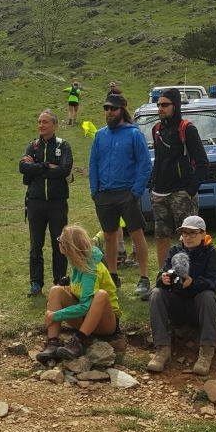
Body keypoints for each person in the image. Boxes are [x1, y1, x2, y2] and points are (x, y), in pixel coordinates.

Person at [89, 92, 152, 296]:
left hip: (127, 193)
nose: (109, 112)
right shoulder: (100, 135)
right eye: (106, 109)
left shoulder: (134, 134)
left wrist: (135, 191)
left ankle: (144, 277)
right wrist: (95, 191)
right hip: (104, 194)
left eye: (113, 109)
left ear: (122, 110)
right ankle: (113, 276)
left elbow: (144, 165)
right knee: (109, 236)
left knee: (137, 234)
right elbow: (93, 164)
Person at [147, 215, 216, 375]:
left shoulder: (212, 253)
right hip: (177, 305)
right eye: (185, 234)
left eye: (192, 233)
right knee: (156, 293)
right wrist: (164, 279)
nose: (187, 237)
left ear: (203, 234)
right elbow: (160, 276)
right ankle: (162, 349)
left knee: (208, 296)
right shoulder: (175, 251)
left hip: (200, 306)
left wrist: (193, 282)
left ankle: (206, 351)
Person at [37, 225, 121, 362]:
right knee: (56, 291)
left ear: (68, 247)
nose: (58, 242)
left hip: (106, 323)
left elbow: (85, 307)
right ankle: (52, 343)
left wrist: (55, 315)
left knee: (101, 295)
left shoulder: (92, 269)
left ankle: (78, 342)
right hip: (85, 318)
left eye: (61, 240)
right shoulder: (77, 261)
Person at [150, 88, 209, 276]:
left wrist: (190, 190)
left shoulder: (187, 129)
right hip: (159, 194)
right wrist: (152, 186)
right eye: (158, 104)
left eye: (165, 105)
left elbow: (203, 163)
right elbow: (159, 160)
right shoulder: (156, 129)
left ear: (175, 106)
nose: (160, 108)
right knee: (161, 237)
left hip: (181, 193)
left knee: (189, 238)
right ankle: (164, 276)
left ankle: (188, 277)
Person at [20, 109, 74, 296]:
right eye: (39, 121)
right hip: (35, 202)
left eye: (45, 122)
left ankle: (59, 281)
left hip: (57, 202)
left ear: (54, 125)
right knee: (36, 244)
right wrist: (45, 166)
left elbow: (64, 170)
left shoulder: (63, 146)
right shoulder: (33, 146)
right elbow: (22, 167)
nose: (41, 125)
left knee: (59, 242)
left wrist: (35, 168)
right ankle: (36, 283)